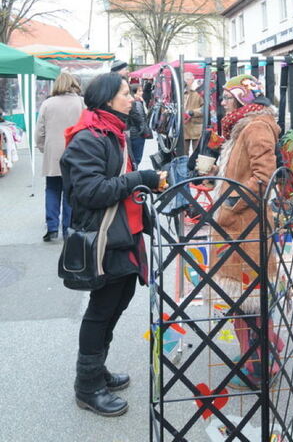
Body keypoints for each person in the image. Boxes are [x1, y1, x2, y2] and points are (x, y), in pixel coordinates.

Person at [60, 72, 167, 417]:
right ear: (107, 100)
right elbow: (89, 192)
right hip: (105, 237)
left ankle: (97, 370)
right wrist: (139, 179)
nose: (133, 98)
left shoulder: (113, 132)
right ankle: (87, 386)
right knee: (101, 309)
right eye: (125, 93)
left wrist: (146, 184)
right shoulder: (88, 138)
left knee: (118, 301)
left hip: (125, 234)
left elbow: (117, 184)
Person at [210, 74, 283, 388]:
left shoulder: (255, 127)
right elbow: (242, 171)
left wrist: (228, 205)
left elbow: (264, 177)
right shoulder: (243, 126)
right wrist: (215, 173)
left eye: (228, 97)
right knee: (244, 301)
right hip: (237, 227)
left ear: (242, 98)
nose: (223, 102)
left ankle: (260, 370)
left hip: (245, 227)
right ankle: (269, 354)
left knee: (248, 301)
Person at [35, 73, 84, 242]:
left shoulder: (47, 103)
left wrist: (44, 148)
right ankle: (67, 228)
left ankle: (52, 227)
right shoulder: (81, 103)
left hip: (53, 153)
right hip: (76, 153)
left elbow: (39, 131)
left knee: (52, 189)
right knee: (70, 192)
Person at [128, 84, 150, 167]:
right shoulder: (137, 103)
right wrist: (143, 130)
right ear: (135, 93)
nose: (142, 92)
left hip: (133, 132)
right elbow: (140, 118)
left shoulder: (137, 102)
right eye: (140, 91)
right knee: (136, 158)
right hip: (137, 133)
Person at [183, 70, 203, 155]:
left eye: (188, 79)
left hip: (195, 127)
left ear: (192, 80)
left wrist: (192, 112)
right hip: (183, 128)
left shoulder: (198, 92)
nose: (186, 82)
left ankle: (195, 168)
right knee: (183, 154)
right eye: (185, 79)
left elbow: (205, 108)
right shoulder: (179, 92)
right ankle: (183, 168)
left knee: (197, 154)